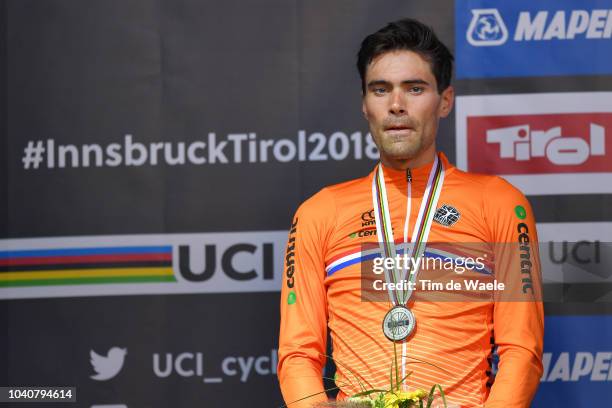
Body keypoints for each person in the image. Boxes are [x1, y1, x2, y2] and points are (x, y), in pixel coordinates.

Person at [278, 18, 543, 408]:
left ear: (445, 100)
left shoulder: (500, 203)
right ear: (365, 106)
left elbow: (522, 348)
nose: (397, 105)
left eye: (414, 88)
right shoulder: (320, 212)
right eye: (381, 90)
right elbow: (298, 353)